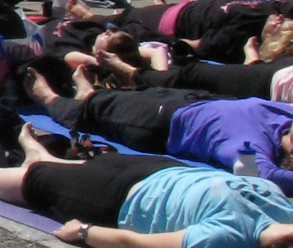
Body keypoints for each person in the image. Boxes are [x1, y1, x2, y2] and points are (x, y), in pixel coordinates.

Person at [0, 129, 293, 248]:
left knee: (36, 183)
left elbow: (138, 246)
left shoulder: (224, 244)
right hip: (164, 173)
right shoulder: (286, 215)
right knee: (91, 164)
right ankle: (39, 157)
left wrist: (85, 232)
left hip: (119, 200)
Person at [23, 69, 293, 190]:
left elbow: (266, 175)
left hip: (160, 124)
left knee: (93, 114)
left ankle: (48, 98)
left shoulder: (250, 147)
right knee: (130, 95)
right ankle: (90, 94)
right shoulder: (286, 119)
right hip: (194, 100)